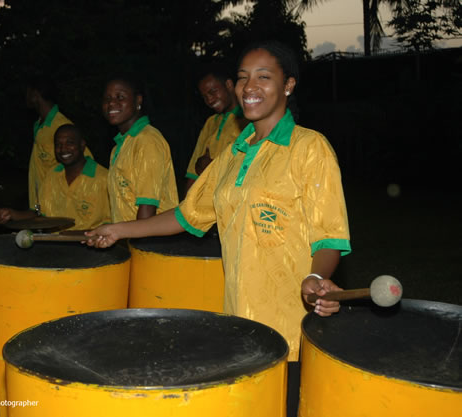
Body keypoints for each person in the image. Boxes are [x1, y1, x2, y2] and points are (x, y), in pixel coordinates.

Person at [86, 41, 351, 416]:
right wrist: (118, 230)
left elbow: (331, 237)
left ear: (288, 85)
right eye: (243, 78)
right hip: (240, 323)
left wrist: (315, 277)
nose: (249, 87)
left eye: (264, 77)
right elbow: (185, 216)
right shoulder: (234, 154)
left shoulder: (309, 148)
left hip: (291, 329)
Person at [0, 124, 110, 230]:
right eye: (58, 144)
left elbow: (113, 223)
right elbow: (39, 214)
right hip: (55, 247)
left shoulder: (104, 178)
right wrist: (11, 214)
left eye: (70, 143)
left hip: (90, 250)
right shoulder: (52, 174)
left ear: (82, 145)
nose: (63, 149)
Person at [102, 76, 178, 222]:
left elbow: (148, 208)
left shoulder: (147, 140)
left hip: (150, 242)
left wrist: (139, 242)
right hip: (129, 240)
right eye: (107, 98)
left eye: (120, 97)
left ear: (138, 101)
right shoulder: (121, 145)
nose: (111, 103)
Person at [26, 76, 93, 212]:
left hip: (59, 202)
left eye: (27, 93)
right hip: (41, 202)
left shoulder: (61, 126)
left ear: (35, 95)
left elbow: (87, 161)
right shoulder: (39, 124)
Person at [184, 64, 246, 196]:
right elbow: (192, 173)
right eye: (204, 96)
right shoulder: (211, 122)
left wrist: (212, 167)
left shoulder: (247, 121)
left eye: (213, 92)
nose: (209, 100)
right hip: (206, 203)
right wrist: (185, 206)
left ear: (229, 85)